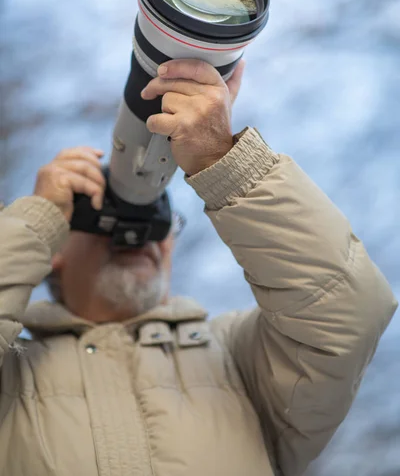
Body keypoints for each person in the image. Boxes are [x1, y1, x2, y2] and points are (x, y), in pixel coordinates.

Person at [0, 59, 396, 476]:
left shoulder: (239, 361)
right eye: (100, 210)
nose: (141, 231)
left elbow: (347, 310)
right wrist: (34, 220)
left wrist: (225, 163)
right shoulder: (14, 373)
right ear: (54, 247)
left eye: (159, 217)